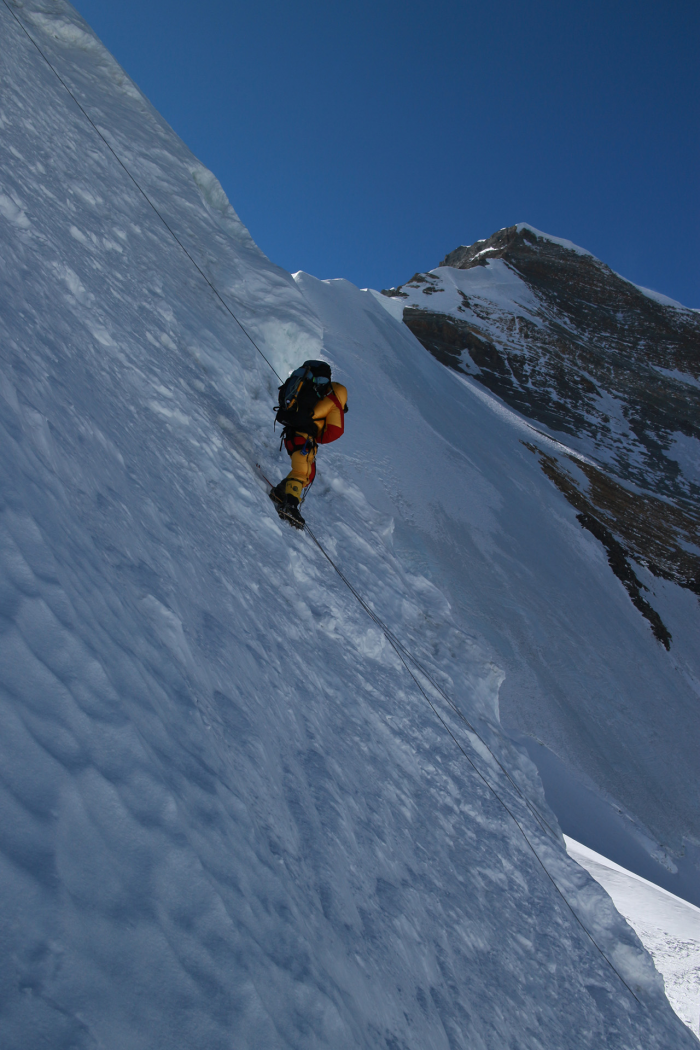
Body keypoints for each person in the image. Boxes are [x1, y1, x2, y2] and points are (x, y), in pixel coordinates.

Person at [271, 360, 348, 528]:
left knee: (308, 472)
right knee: (303, 471)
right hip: (304, 437)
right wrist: (317, 434)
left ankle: (280, 493)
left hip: (293, 433)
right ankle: (290, 506)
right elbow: (334, 432)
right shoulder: (333, 402)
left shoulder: (316, 394)